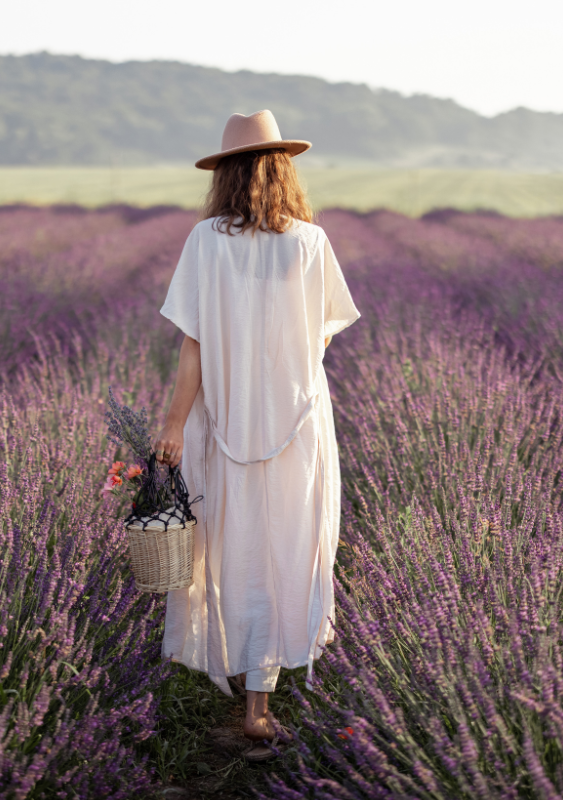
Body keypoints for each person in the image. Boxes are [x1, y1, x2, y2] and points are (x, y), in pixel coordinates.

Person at [153, 110, 360, 762]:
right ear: (282, 170)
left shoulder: (205, 242)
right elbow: (322, 333)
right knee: (288, 543)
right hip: (297, 422)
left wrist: (173, 421)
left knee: (227, 543)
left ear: (227, 176)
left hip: (226, 417)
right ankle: (259, 707)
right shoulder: (310, 243)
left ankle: (239, 666)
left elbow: (193, 344)